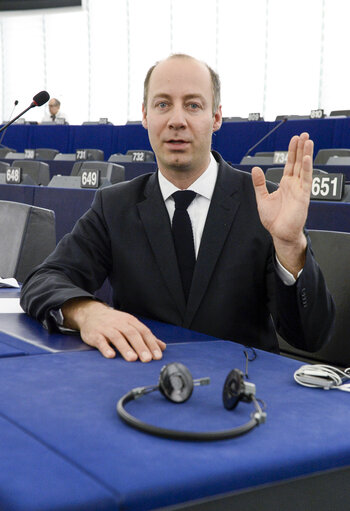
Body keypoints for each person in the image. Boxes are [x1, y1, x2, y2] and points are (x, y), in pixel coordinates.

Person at [21, 54, 335, 363]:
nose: (176, 120)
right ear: (145, 116)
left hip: (244, 395)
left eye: (193, 105)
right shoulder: (114, 205)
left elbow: (310, 337)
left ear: (216, 117)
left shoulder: (265, 205)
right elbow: (43, 280)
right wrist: (87, 312)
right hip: (141, 383)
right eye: (162, 105)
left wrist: (291, 248)